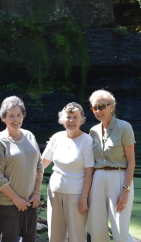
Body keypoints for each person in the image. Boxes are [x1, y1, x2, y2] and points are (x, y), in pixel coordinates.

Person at [0, 96, 44, 242]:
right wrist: (16, 200)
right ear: (4, 118)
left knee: (30, 239)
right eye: (11, 115)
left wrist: (37, 193)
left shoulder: (30, 135)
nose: (16, 119)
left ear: (23, 115)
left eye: (19, 115)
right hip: (8, 204)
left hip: (30, 201)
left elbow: (39, 166)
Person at [87, 89, 136, 242]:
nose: (98, 111)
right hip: (98, 180)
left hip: (119, 178)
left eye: (102, 106)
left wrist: (125, 189)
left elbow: (131, 161)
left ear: (112, 107)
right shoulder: (93, 131)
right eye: (95, 108)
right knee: (97, 230)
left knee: (120, 230)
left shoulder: (124, 127)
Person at [41, 102, 94, 242]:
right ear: (62, 118)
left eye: (75, 117)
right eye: (68, 117)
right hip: (54, 193)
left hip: (76, 196)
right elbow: (42, 164)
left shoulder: (86, 140)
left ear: (81, 119)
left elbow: (89, 173)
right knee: (55, 236)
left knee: (77, 237)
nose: (71, 121)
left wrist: (84, 198)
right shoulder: (56, 137)